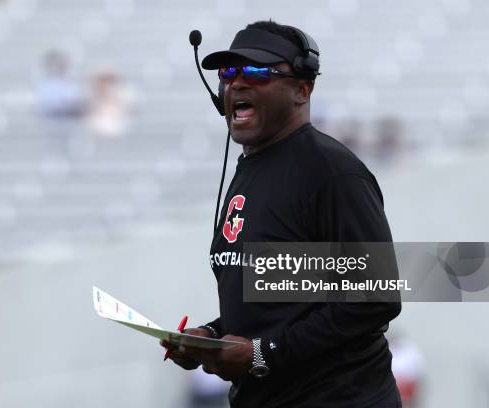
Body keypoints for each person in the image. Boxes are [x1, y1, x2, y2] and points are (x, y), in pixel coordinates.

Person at [161, 20, 402, 407]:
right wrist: (210, 336)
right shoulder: (249, 169)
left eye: (256, 71)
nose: (236, 83)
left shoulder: (331, 171)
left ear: (302, 90)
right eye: (228, 72)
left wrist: (260, 353)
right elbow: (291, 300)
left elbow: (374, 297)